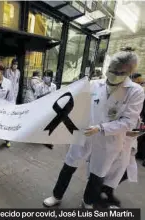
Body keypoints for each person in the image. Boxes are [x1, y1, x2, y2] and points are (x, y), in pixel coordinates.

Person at [43, 48, 144, 209]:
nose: (113, 74)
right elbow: (76, 103)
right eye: (111, 70)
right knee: (69, 165)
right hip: (85, 133)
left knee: (97, 174)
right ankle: (56, 195)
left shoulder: (135, 92)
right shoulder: (95, 84)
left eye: (119, 72)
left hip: (109, 139)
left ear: (129, 72)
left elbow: (128, 122)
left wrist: (101, 128)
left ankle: (87, 202)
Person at [34, 70, 57, 149]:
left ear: (51, 77)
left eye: (48, 76)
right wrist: (45, 95)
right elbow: (36, 97)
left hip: (51, 107)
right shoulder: (39, 86)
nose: (46, 77)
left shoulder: (54, 86)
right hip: (41, 107)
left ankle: (47, 140)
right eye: (45, 75)